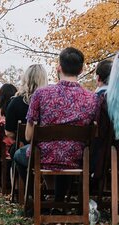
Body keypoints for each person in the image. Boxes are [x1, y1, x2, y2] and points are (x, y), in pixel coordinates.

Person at [14, 47, 99, 203]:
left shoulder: (41, 94)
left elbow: (28, 136)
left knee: (19, 155)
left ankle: (36, 200)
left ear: (59, 67)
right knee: (66, 151)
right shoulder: (92, 98)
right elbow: (95, 132)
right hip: (77, 158)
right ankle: (59, 202)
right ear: (81, 69)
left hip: (44, 157)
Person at [5, 64, 48, 143]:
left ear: (25, 79)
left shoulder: (15, 102)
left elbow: (9, 132)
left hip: (23, 146)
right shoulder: (51, 103)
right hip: (48, 147)